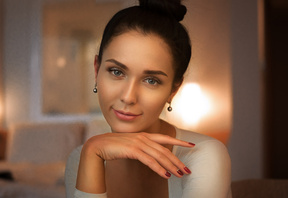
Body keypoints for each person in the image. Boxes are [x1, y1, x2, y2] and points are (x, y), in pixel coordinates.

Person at [65, 0, 232, 197]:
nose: (128, 97)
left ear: (173, 90)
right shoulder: (83, 158)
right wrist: (92, 151)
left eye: (151, 80)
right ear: (96, 69)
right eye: (117, 71)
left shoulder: (204, 156)